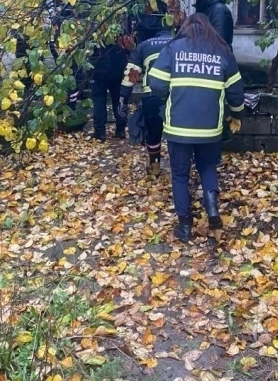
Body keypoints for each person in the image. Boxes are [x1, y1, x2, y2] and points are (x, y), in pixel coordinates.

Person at [147, 13, 244, 242]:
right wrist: (237, 115)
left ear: (186, 28)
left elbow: (156, 83)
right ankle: (212, 210)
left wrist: (168, 95)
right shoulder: (221, 50)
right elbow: (236, 92)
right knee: (207, 166)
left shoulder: (173, 48)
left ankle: (185, 226)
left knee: (180, 175)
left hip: (178, 128)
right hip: (210, 129)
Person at [118, 24, 173, 175]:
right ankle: (180, 165)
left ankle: (155, 166)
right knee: (177, 132)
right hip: (176, 96)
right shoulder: (181, 43)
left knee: (153, 132)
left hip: (151, 95)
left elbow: (131, 73)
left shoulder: (145, 46)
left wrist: (124, 97)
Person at [90, 38, 128, 141]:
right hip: (117, 67)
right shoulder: (119, 26)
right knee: (118, 99)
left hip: (98, 68)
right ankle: (120, 129)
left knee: (99, 100)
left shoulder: (93, 27)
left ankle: (100, 132)